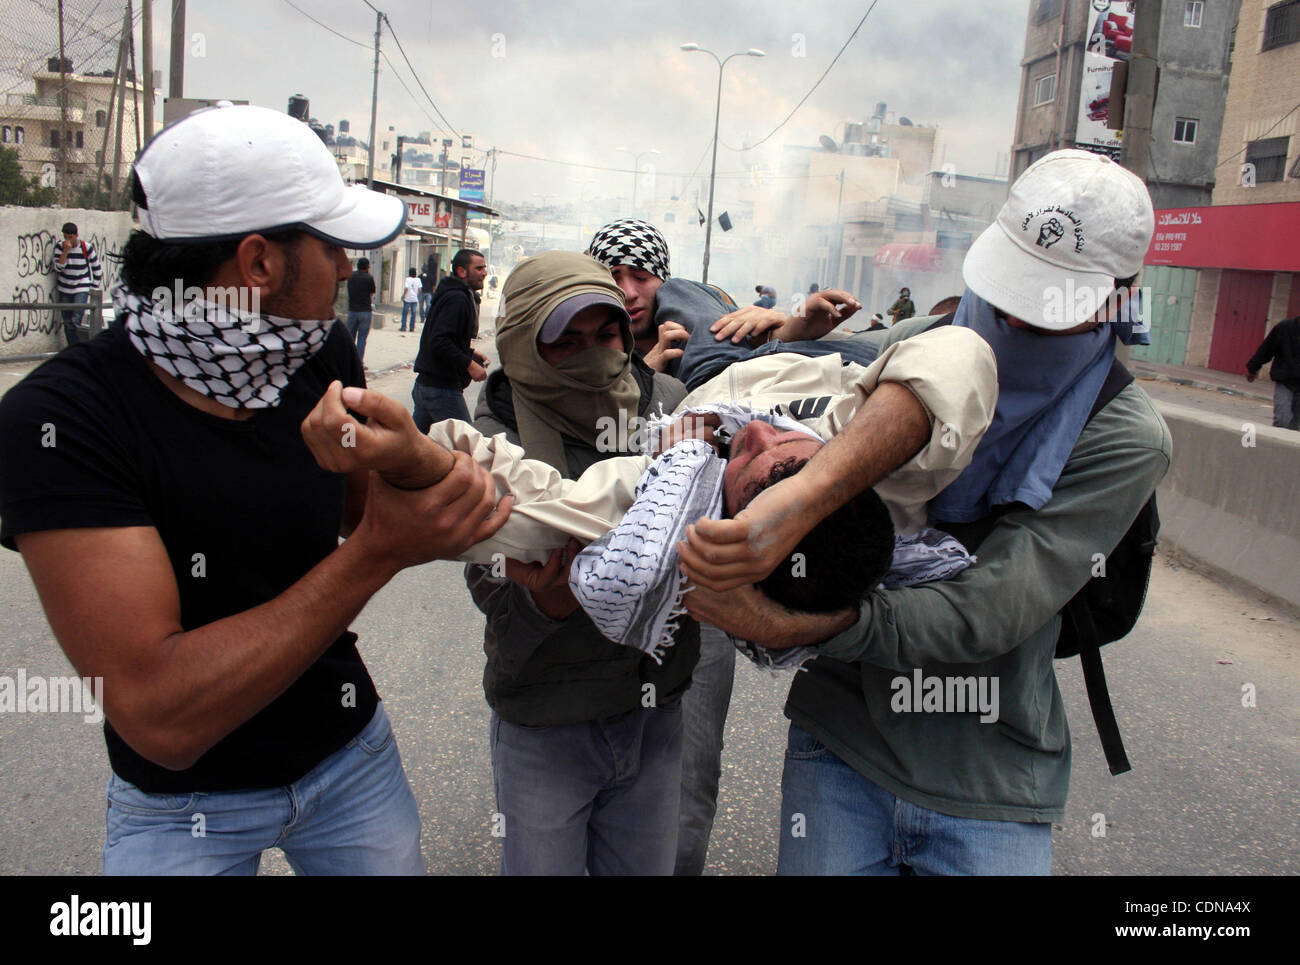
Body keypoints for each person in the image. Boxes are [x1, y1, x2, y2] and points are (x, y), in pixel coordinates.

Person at [0, 103, 513, 876]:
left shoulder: (312, 351)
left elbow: (360, 508)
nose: (346, 268)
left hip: (346, 760)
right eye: (331, 245)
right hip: (178, 805)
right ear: (259, 264)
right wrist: (378, 554)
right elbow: (159, 714)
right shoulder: (63, 418)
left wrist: (410, 461)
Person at [681, 149, 1172, 876]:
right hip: (841, 744)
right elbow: (817, 384)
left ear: (1116, 298)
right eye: (1002, 296)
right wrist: (775, 341)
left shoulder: (1123, 437)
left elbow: (994, 605)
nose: (1003, 323)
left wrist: (801, 628)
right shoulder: (924, 344)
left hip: (989, 777)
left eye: (1040, 313)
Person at [469, 250, 692, 875]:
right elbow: (486, 575)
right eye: (565, 342)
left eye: (605, 333)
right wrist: (547, 599)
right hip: (547, 715)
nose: (594, 353)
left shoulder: (668, 403)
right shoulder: (498, 432)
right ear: (522, 346)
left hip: (654, 707)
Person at [412, 248, 488, 431]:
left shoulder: (453, 293)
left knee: (415, 447)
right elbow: (440, 341)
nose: (484, 273)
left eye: (484, 268)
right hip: (441, 388)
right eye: (478, 268)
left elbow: (444, 338)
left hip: (427, 386)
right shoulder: (457, 299)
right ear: (462, 271)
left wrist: (471, 353)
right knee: (468, 446)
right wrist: (469, 365)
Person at [52, 221, 104, 346]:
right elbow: (59, 268)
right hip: (64, 287)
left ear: (76, 235)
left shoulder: (86, 247)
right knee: (68, 322)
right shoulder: (60, 247)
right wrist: (65, 251)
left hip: (81, 287)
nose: (68, 240)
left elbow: (97, 269)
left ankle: (78, 349)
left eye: (71, 237)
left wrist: (92, 288)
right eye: (66, 237)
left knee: (76, 320)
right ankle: (73, 348)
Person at [1245, 315, 1300, 430]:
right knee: (1282, 420)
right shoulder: (1284, 328)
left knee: (1296, 425)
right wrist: (1253, 368)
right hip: (1286, 381)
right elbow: (1266, 349)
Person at [346, 257, 376, 361]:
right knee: (362, 338)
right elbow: (372, 292)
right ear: (367, 267)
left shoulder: (351, 276)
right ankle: (359, 362)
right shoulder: (369, 278)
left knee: (350, 338)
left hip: (352, 310)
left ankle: (349, 361)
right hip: (365, 311)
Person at [400, 267, 422, 333]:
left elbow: (406, 288)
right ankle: (412, 328)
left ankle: (403, 327)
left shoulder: (408, 279)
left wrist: (403, 295)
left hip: (407, 298)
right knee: (413, 313)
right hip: (414, 299)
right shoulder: (418, 279)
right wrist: (417, 296)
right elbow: (420, 289)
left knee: (405, 313)